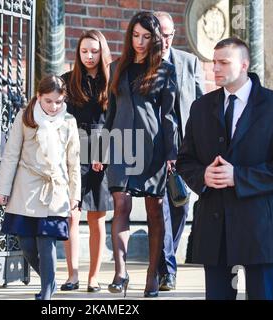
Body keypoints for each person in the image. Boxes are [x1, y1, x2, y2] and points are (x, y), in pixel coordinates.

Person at [176, 37, 273, 300]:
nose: (216, 69)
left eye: (224, 62)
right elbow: (185, 160)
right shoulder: (200, 107)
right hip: (214, 228)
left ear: (244, 64)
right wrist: (203, 176)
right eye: (214, 63)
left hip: (260, 228)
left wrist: (239, 176)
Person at [97, 11, 178, 298]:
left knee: (155, 212)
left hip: (152, 148)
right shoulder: (117, 66)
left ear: (154, 39)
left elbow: (169, 117)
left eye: (146, 37)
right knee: (121, 206)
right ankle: (121, 273)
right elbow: (110, 113)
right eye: (136, 35)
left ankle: (152, 275)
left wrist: (172, 154)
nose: (140, 42)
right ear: (129, 36)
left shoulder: (165, 71)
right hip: (120, 144)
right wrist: (100, 150)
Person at [0, 75, 81, 300]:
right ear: (38, 97)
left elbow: (73, 161)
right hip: (27, 188)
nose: (53, 107)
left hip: (55, 189)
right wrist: (2, 189)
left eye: (58, 102)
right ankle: (48, 280)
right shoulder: (25, 117)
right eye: (48, 101)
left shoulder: (69, 121)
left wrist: (75, 195)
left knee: (46, 241)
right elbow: (11, 154)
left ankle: (46, 293)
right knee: (27, 244)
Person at [154, 11, 205, 291]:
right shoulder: (142, 65)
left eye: (169, 34)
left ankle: (165, 261)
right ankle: (166, 270)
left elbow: (201, 106)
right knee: (159, 208)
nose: (165, 39)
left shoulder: (189, 62)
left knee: (179, 206)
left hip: (184, 150)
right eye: (160, 33)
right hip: (153, 151)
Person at [60, 30, 114, 293]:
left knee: (97, 219)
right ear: (78, 53)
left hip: (102, 153)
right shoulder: (67, 81)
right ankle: (72, 275)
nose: (89, 56)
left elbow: (115, 121)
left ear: (102, 52)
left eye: (94, 51)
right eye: (84, 51)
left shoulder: (112, 82)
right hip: (73, 153)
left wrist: (102, 152)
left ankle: (93, 277)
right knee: (71, 216)